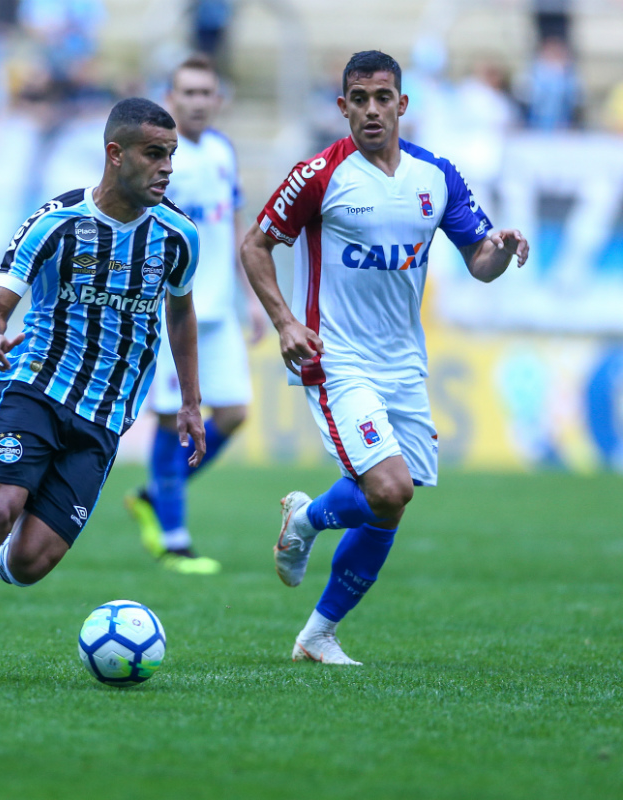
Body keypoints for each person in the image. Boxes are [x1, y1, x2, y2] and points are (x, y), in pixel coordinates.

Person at [0, 97, 207, 687]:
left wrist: (191, 402)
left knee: (30, 561)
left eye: (171, 155)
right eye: (154, 154)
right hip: (36, 386)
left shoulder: (178, 236)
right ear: (115, 154)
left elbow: (181, 313)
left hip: (106, 413)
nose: (167, 167)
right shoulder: (54, 222)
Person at [239, 50, 528, 665]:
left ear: (402, 103)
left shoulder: (436, 175)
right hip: (337, 357)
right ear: (342, 107)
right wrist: (286, 322)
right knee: (388, 487)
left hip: (405, 363)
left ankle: (316, 625)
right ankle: (308, 534)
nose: (372, 110)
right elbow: (256, 245)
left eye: (383, 97)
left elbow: (480, 262)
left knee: (394, 499)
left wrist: (501, 248)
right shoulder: (318, 175)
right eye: (359, 99)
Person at [124, 54, 264, 575]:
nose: (198, 101)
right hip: (171, 309)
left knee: (234, 413)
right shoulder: (160, 156)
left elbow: (234, 224)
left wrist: (251, 297)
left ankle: (154, 495)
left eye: (206, 92)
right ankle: (174, 540)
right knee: (171, 418)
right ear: (171, 97)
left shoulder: (223, 150)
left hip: (220, 308)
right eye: (189, 92)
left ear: (218, 99)